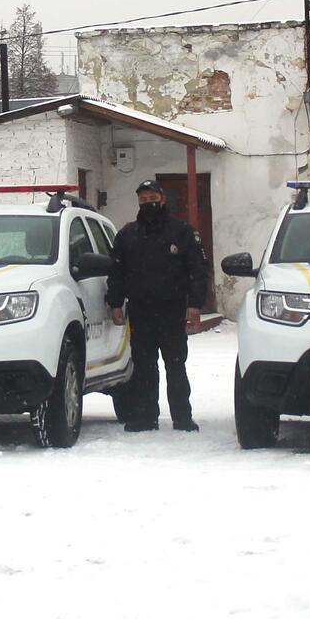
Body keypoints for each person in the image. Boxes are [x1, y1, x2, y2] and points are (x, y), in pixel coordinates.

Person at [106, 180, 209, 432]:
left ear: (162, 199)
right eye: (143, 199)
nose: (148, 203)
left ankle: (182, 417)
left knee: (175, 364)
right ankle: (146, 416)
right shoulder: (127, 235)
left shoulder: (182, 232)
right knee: (143, 366)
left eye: (152, 197)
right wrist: (115, 303)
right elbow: (116, 272)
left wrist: (194, 305)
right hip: (140, 311)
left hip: (172, 310)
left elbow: (197, 270)